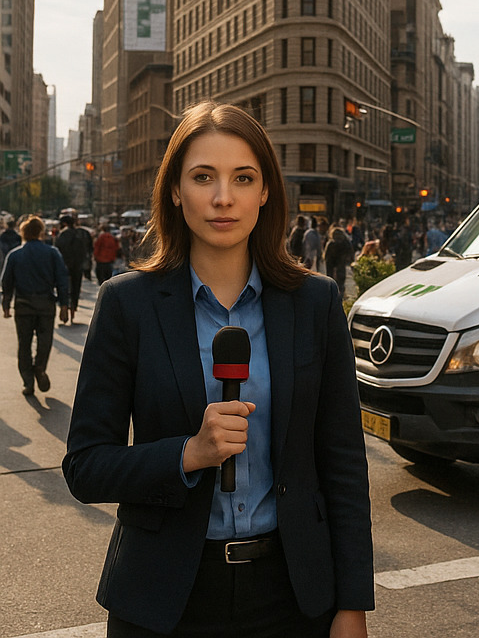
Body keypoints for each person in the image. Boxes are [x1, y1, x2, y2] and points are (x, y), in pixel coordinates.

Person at [63, 102, 373, 638]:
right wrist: (189, 454)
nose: (223, 197)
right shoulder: (127, 305)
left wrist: (352, 603)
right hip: (163, 598)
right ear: (176, 191)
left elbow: (343, 463)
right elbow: (86, 466)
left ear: (266, 191)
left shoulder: (315, 303)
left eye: (243, 178)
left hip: (293, 595)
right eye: (203, 177)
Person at [2, 215, 70, 396]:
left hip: (23, 305)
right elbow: (62, 280)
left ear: (23, 232)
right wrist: (64, 305)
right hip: (46, 305)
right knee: (44, 340)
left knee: (24, 344)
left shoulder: (15, 254)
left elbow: (6, 281)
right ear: (41, 232)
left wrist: (6, 303)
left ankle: (28, 382)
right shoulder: (52, 252)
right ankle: (40, 367)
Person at [55, 213, 90, 323]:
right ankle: (73, 309)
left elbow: (58, 250)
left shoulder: (62, 234)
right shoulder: (82, 233)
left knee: (63, 287)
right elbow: (88, 248)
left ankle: (64, 306)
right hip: (78, 266)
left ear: (64, 223)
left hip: (64, 265)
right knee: (76, 287)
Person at [323, 226, 353, 294]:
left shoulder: (330, 244)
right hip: (341, 267)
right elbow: (350, 255)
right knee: (341, 285)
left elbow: (326, 257)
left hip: (331, 268)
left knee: (331, 286)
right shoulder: (346, 243)